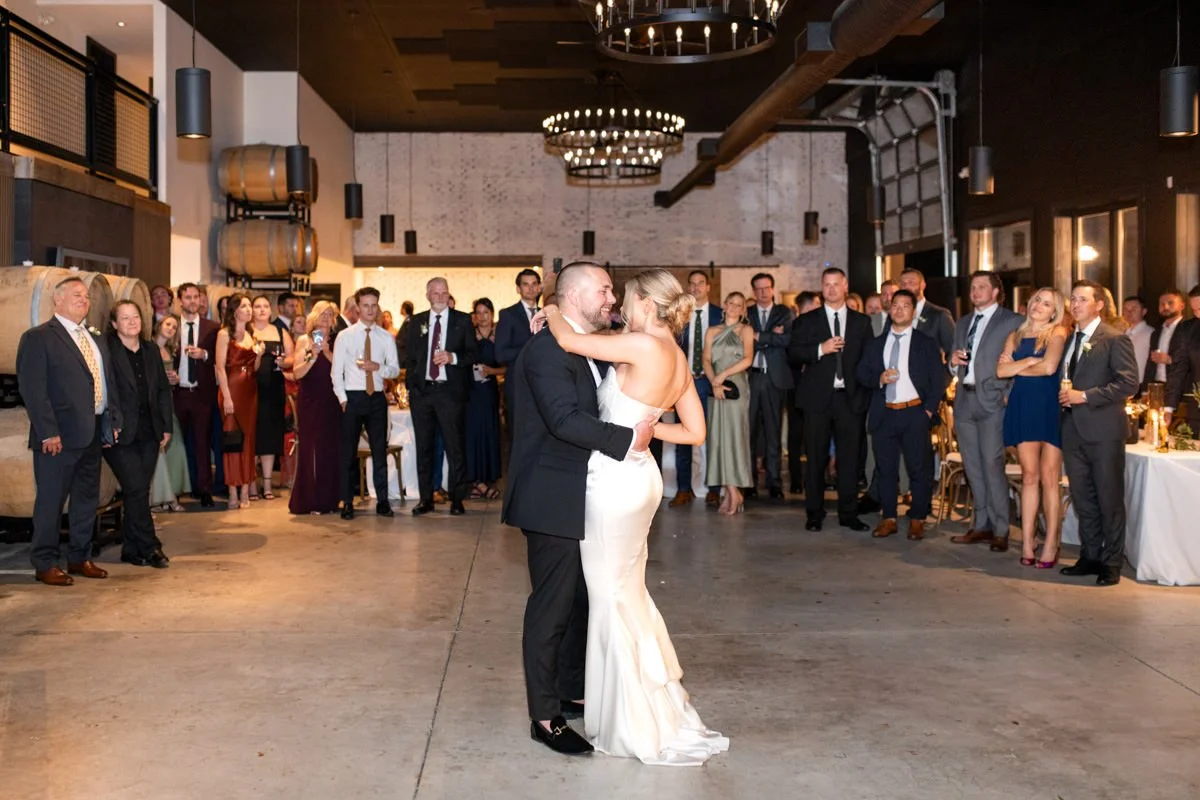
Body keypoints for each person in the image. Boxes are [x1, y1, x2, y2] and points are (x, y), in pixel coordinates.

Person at [533, 265, 728, 765]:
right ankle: (631, 700)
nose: (618, 302)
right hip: (642, 477)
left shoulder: (641, 347)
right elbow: (696, 432)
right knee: (626, 588)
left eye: (624, 297)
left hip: (614, 481)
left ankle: (627, 717)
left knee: (608, 595)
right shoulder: (678, 358)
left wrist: (551, 307)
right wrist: (647, 432)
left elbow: (571, 342)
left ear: (645, 301)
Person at [501, 262, 651, 758]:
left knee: (578, 601)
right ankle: (544, 716)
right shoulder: (547, 351)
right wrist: (628, 440)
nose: (612, 297)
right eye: (604, 289)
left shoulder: (577, 344)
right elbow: (565, 420)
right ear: (574, 295)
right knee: (551, 606)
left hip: (580, 490)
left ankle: (570, 689)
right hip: (549, 494)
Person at [16, 276, 121, 586]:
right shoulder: (39, 337)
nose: (84, 299)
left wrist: (111, 420)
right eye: (76, 294)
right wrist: (48, 432)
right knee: (50, 501)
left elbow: (104, 381)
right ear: (56, 300)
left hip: (91, 433)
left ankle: (79, 557)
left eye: (86, 296)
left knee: (86, 500)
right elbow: (33, 389)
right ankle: (45, 562)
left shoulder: (93, 336)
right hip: (58, 438)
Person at [1058, 280, 1139, 586]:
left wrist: (1086, 396)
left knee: (1109, 498)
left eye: (1081, 299)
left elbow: (1129, 383)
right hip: (1072, 429)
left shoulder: (1114, 339)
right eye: (1073, 299)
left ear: (1099, 305)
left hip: (1104, 430)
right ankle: (1090, 555)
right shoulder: (1069, 339)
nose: (1074, 305)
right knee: (1083, 498)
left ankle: (1111, 562)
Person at [857, 290, 946, 540]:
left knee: (919, 469)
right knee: (885, 470)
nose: (899, 310)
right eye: (895, 306)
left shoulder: (925, 342)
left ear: (913, 311)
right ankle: (889, 518)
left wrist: (928, 410)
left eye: (905, 306)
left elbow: (937, 380)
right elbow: (861, 374)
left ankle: (917, 518)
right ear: (889, 309)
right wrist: (879, 379)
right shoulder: (875, 344)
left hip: (914, 412)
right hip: (885, 413)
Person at [789, 267, 872, 532]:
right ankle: (814, 513)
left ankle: (849, 513)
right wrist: (819, 349)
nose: (832, 289)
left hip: (849, 400)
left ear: (845, 286)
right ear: (821, 288)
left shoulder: (861, 322)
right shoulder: (807, 320)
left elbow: (868, 360)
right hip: (817, 400)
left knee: (849, 460)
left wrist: (863, 393)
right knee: (815, 459)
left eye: (836, 284)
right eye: (827, 285)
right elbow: (793, 353)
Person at [947, 272, 1024, 552]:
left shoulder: (1013, 321)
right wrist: (952, 363)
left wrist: (1007, 395)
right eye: (973, 287)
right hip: (965, 400)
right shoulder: (964, 322)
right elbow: (955, 359)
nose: (975, 291)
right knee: (972, 466)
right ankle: (980, 524)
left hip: (992, 400)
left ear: (995, 293)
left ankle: (1001, 528)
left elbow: (1019, 361)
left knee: (992, 464)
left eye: (982, 287)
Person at [995, 288, 1070, 565]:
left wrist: (1016, 366)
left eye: (1047, 303)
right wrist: (1027, 361)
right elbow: (1000, 371)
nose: (1039, 305)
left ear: (1055, 311)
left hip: (1050, 406)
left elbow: (1049, 368)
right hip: (1023, 405)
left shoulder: (1058, 333)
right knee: (1029, 476)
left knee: (1050, 478)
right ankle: (1027, 542)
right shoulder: (1014, 335)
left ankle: (1051, 542)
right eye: (1037, 299)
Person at [103, 300, 173, 569]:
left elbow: (163, 391)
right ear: (113, 324)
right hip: (119, 433)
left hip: (149, 431)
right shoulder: (107, 351)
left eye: (135, 317)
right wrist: (111, 421)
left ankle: (131, 549)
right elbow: (103, 390)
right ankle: (150, 546)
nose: (132, 322)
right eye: (125, 318)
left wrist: (166, 426)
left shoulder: (150, 350)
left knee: (139, 491)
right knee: (135, 487)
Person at [403, 278, 478, 516]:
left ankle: (457, 499)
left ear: (449, 294)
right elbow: (407, 356)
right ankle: (426, 499)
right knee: (423, 447)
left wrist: (452, 357)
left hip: (450, 393)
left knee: (454, 447)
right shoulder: (416, 322)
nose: (440, 296)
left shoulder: (463, 320)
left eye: (444, 292)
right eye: (435, 292)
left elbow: (473, 353)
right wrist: (413, 387)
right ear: (427, 295)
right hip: (423, 394)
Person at [333, 287, 400, 519]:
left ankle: (382, 501)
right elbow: (336, 372)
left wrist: (377, 367)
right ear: (357, 308)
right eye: (365, 305)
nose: (370, 310)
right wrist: (343, 399)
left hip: (376, 399)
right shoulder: (345, 336)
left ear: (378, 307)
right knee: (348, 453)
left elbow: (393, 370)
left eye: (374, 305)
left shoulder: (385, 337)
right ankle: (347, 502)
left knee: (379, 451)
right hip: (353, 397)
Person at [671, 270, 723, 508]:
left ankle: (713, 488)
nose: (695, 288)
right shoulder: (680, 315)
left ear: (708, 287)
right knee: (682, 435)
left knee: (711, 435)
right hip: (684, 381)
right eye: (691, 284)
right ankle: (683, 489)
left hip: (710, 381)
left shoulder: (719, 314)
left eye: (700, 283)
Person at [704, 291, 754, 515]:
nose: (734, 307)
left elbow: (748, 359)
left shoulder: (746, 330)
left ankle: (735, 490)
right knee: (718, 439)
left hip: (736, 387)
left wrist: (722, 376)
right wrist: (714, 381)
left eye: (739, 305)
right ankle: (728, 490)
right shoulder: (711, 331)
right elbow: (705, 359)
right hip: (715, 386)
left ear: (744, 309)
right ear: (724, 305)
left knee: (734, 437)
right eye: (731, 303)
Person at [290, 301, 343, 515]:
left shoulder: (339, 340)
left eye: (330, 314)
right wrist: (313, 354)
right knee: (310, 448)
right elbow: (297, 373)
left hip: (332, 400)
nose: (325, 317)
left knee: (330, 450)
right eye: (322, 313)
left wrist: (328, 352)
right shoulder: (305, 340)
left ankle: (328, 499)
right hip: (310, 400)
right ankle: (308, 499)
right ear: (314, 316)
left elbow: (343, 370)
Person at [746, 272, 794, 499]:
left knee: (774, 432)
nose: (762, 292)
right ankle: (750, 482)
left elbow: (786, 340)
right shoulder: (747, 314)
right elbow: (743, 340)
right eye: (758, 289)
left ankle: (775, 482)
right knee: (751, 432)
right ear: (753, 292)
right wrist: (769, 336)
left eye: (766, 288)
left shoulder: (784, 312)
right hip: (752, 377)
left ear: (773, 289)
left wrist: (759, 336)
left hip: (775, 379)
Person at [173, 283, 219, 507]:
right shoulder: (171, 326)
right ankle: (173, 491)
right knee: (174, 443)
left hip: (201, 392)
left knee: (202, 442)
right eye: (187, 297)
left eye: (195, 297)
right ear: (180, 301)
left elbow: (222, 359)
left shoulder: (213, 328)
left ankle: (204, 489)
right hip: (178, 393)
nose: (192, 301)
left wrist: (206, 354)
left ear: (201, 300)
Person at [215, 294, 262, 510]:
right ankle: (232, 491)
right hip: (231, 389)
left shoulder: (252, 334)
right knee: (232, 442)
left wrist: (259, 355)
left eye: (250, 306)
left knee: (249, 440)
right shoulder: (224, 334)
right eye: (244, 306)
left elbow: (256, 368)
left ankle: (245, 490)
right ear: (235, 311)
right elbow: (219, 367)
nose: (249, 309)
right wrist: (226, 396)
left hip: (250, 391)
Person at [251, 295, 293, 500]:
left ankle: (267, 484)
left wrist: (284, 361)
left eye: (265, 306)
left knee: (269, 436)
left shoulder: (279, 331)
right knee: (252, 435)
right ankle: (251, 484)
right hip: (250, 387)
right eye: (257, 306)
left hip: (274, 387)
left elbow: (292, 357)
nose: (262, 310)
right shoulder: (246, 331)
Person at [495, 268, 542, 439]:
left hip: (545, 385)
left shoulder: (548, 316)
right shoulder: (508, 315)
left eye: (534, 284)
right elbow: (500, 354)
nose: (530, 288)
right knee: (519, 437)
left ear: (539, 287)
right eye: (525, 284)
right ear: (518, 289)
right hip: (518, 384)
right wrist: (530, 348)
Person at [149, 315, 190, 511]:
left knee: (176, 448)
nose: (171, 329)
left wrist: (174, 379)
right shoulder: (149, 348)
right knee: (160, 452)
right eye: (168, 324)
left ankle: (168, 496)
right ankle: (165, 499)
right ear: (159, 325)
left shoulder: (169, 351)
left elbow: (169, 381)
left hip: (168, 404)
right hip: (154, 405)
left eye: (174, 327)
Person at [466, 298, 503, 500]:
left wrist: (492, 371)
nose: (482, 317)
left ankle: (486, 479)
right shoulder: (470, 336)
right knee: (473, 435)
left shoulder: (499, 336)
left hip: (489, 390)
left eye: (486, 312)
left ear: (492, 314)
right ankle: (475, 481)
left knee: (490, 432)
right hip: (471, 392)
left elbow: (509, 365)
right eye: (478, 313)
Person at [787, 291, 822, 494]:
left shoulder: (820, 327)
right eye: (817, 305)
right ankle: (796, 479)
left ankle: (813, 479)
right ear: (807, 307)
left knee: (815, 437)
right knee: (795, 435)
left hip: (816, 389)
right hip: (796, 387)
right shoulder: (794, 328)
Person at [1164, 285, 1200, 429]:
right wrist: (1169, 407)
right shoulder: (1188, 329)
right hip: (1197, 411)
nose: (1198, 314)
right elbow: (1178, 369)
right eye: (1195, 310)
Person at [898, 268, 955, 358]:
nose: (907, 287)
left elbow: (953, 349)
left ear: (923, 285)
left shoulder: (939, 315)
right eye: (903, 284)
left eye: (911, 283)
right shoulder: (894, 315)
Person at [1145, 289, 1188, 393]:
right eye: (1162, 304)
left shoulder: (1189, 329)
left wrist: (1170, 360)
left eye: (1170, 303)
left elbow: (1194, 359)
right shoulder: (1156, 332)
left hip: (1181, 387)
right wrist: (1145, 390)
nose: (1165, 307)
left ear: (1182, 306)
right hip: (1157, 386)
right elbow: (1150, 363)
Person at [1122, 295, 1153, 384]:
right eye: (1126, 309)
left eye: (1134, 309)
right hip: (1123, 383)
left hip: (1141, 383)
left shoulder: (1150, 333)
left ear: (1144, 311)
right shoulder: (1123, 334)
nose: (1129, 312)